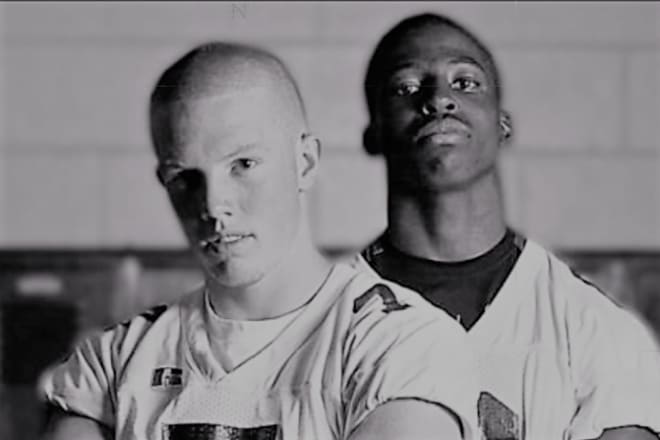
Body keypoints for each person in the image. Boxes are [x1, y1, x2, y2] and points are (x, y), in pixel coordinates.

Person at [39, 41, 480, 440]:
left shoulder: (401, 343)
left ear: (305, 163)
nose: (213, 205)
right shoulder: (112, 364)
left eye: (243, 164)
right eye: (185, 178)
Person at [359, 12, 660, 440]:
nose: (439, 100)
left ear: (503, 124)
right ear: (375, 133)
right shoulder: (318, 321)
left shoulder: (593, 329)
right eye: (406, 88)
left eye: (464, 82)